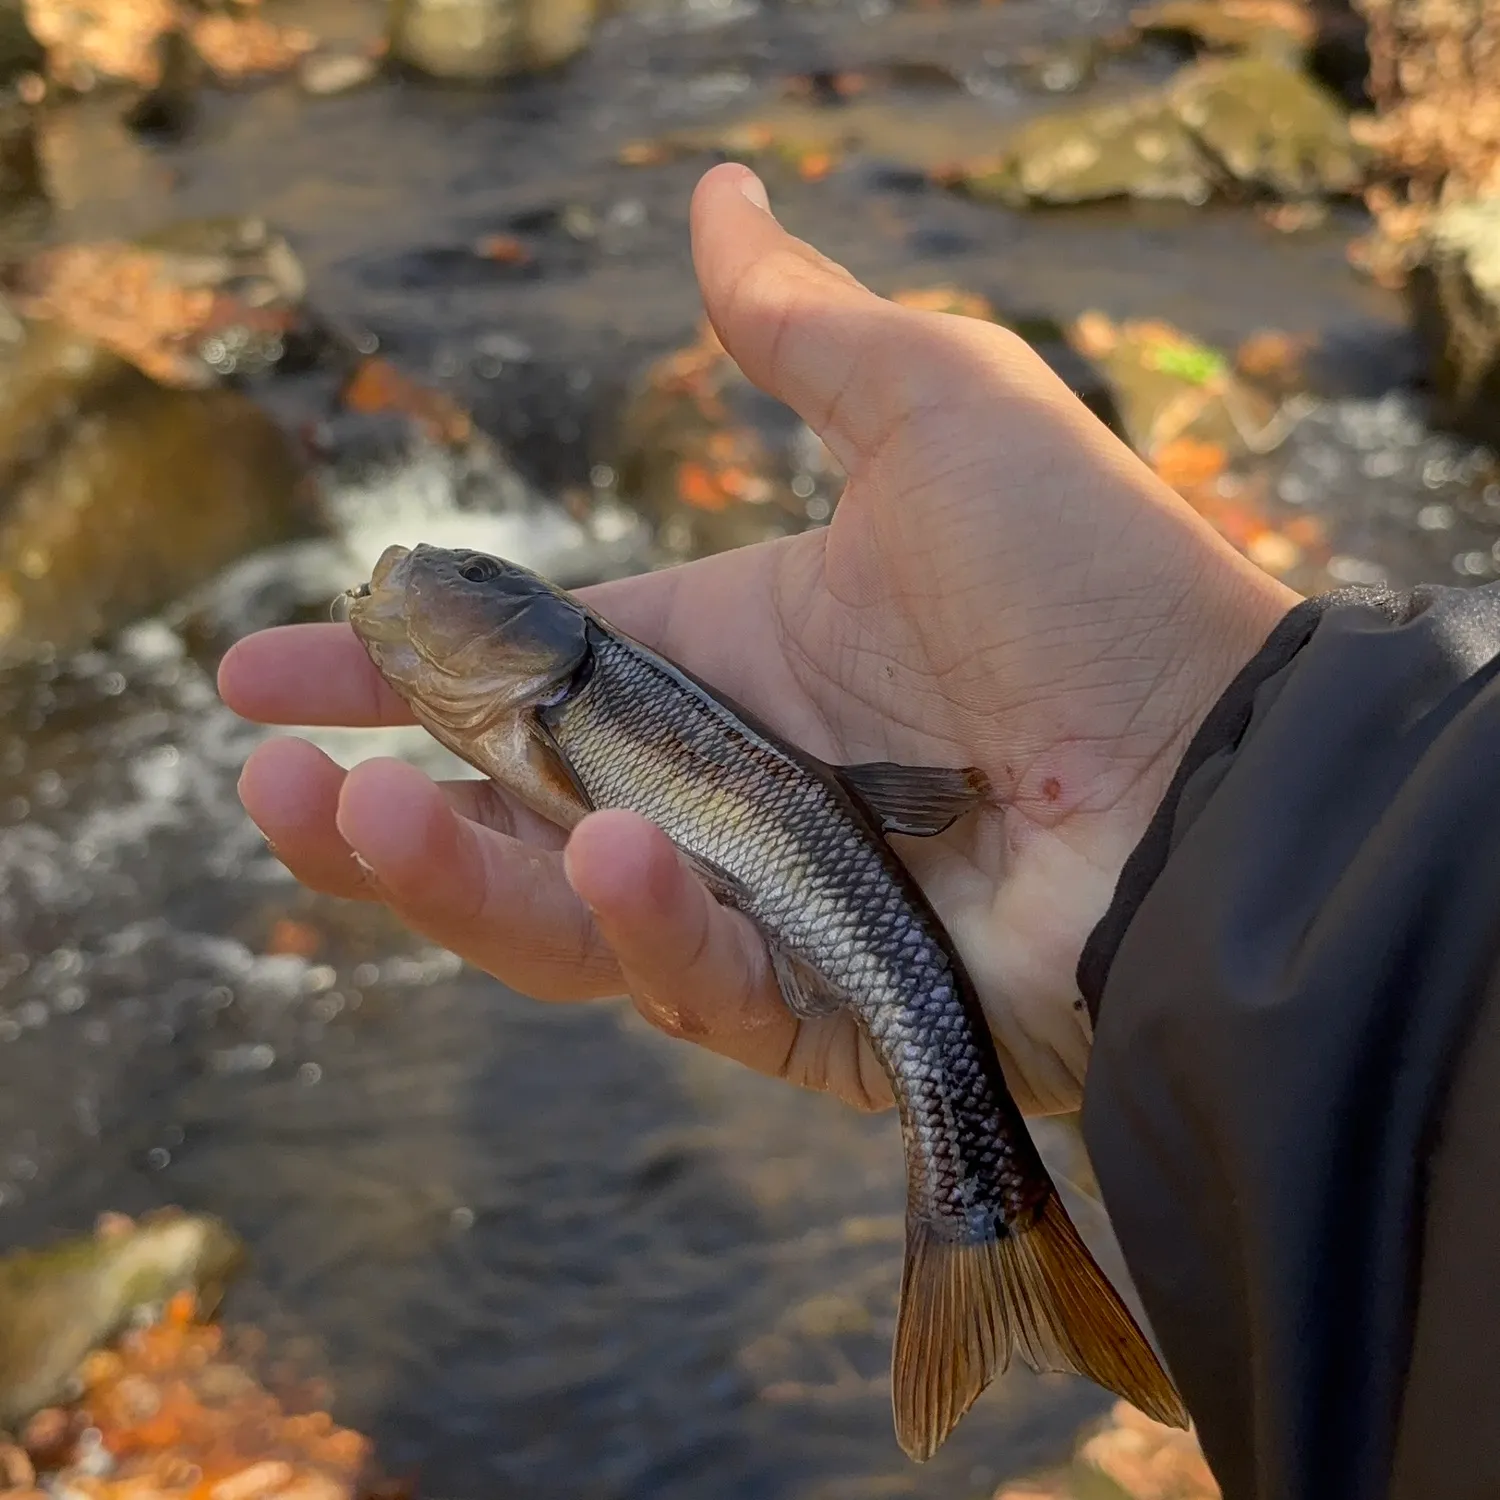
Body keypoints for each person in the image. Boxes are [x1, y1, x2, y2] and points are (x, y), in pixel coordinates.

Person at [217, 164, 1500, 1500]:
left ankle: (991, 1227)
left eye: (476, 579)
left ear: (534, 636)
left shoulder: (575, 695)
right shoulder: (564, 693)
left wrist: (1199, 763)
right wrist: (1214, 779)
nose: (430, 580)